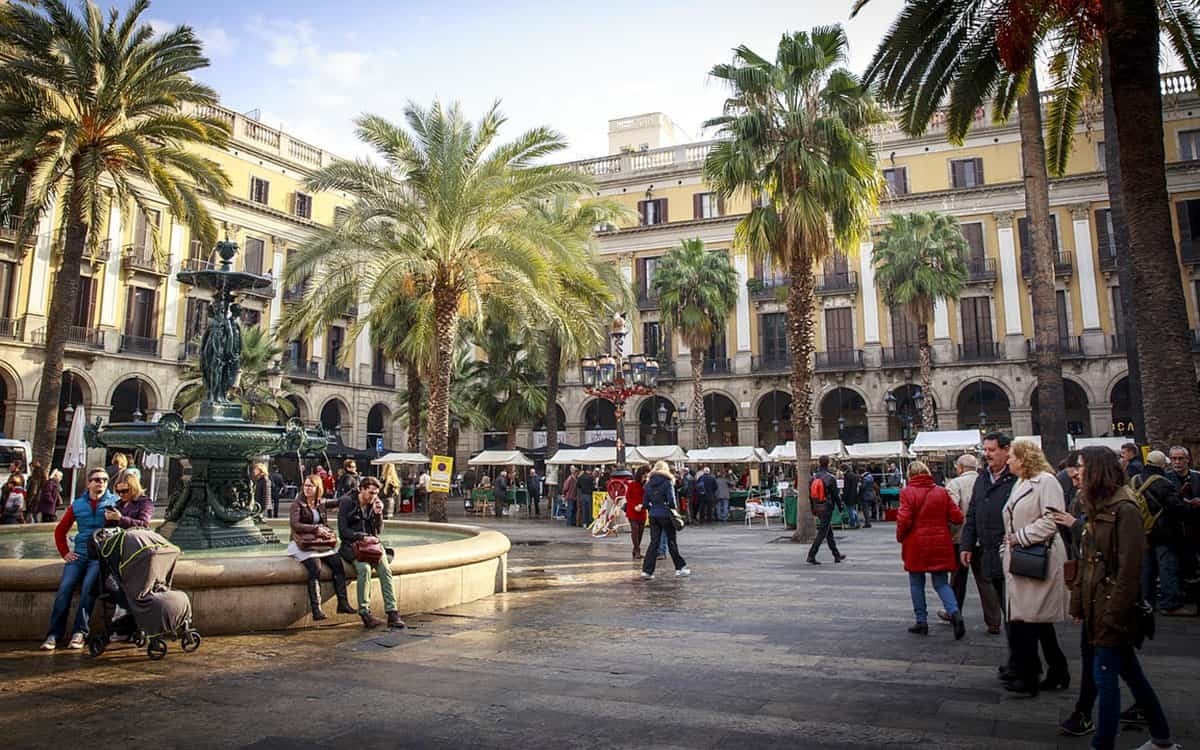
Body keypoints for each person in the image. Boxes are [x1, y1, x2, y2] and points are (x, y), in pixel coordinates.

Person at [1069, 446, 1182, 750]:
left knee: (1106, 679)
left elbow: (1129, 571)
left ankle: (1102, 744)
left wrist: (1112, 615)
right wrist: (1078, 602)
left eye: (1080, 466)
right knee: (1131, 673)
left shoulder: (1125, 508)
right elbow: (1086, 560)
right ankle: (1161, 738)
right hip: (1097, 605)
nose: (1075, 472)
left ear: (1096, 470)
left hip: (1111, 609)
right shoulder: (1095, 504)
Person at [1000, 438, 1070, 697]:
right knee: (1035, 620)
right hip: (1022, 557)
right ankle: (1058, 670)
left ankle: (1027, 677)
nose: (1008, 460)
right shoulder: (1021, 482)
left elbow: (1053, 519)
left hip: (1038, 557)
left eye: (1012, 457)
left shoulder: (1047, 481)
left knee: (1025, 620)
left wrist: (1020, 537)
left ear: (1023, 458)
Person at [960, 432, 1019, 680]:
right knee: (1008, 609)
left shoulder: (1017, 478)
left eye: (992, 449)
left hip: (1013, 552)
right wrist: (966, 544)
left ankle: (1025, 662)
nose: (987, 454)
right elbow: (973, 512)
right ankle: (1018, 659)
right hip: (989, 551)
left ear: (1007, 450)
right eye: (985, 449)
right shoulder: (983, 477)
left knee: (1017, 612)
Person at [41, 467, 118, 650]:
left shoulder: (114, 502)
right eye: (97, 479)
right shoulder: (77, 504)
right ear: (89, 483)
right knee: (65, 588)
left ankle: (79, 633)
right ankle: (53, 634)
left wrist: (116, 520)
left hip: (99, 556)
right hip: (80, 553)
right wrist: (65, 553)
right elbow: (60, 531)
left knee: (88, 589)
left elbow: (119, 530)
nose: (101, 483)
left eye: (105, 480)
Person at [897, 461, 966, 638]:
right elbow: (957, 517)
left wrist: (900, 536)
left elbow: (904, 520)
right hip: (940, 542)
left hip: (916, 543)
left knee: (916, 583)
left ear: (910, 475)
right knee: (941, 583)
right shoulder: (941, 492)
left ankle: (922, 622)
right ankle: (955, 613)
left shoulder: (907, 492)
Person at [943, 454, 1003, 633]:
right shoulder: (986, 482)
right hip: (984, 539)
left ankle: (954, 612)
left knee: (957, 579)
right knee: (985, 580)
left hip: (961, 539)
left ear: (960, 468)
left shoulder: (955, 484)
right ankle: (994, 621)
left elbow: (951, 511)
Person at [1135, 450, 1195, 617]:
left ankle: (1146, 602)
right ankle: (1170, 604)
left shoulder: (1135, 479)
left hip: (1143, 531)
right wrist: (1190, 506)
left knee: (1147, 569)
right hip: (1163, 532)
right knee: (1167, 567)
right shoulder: (1163, 482)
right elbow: (1176, 508)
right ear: (1162, 464)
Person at [338, 476, 403, 629]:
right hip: (353, 547)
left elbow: (378, 531)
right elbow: (343, 531)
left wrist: (379, 514)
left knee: (385, 570)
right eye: (370, 493)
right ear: (361, 489)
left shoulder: (374, 504)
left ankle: (392, 613)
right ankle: (365, 613)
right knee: (364, 569)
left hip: (372, 547)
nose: (373, 496)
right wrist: (361, 536)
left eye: (375, 493)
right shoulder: (347, 502)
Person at [290, 473, 354, 620]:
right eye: (305, 485)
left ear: (318, 488)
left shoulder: (320, 503)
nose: (307, 488)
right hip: (303, 544)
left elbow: (339, 501)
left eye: (310, 486)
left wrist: (355, 491)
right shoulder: (297, 504)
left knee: (338, 565)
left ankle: (343, 604)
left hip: (319, 543)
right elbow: (295, 524)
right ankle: (316, 609)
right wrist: (315, 529)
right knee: (315, 568)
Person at [640, 461, 689, 580]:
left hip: (653, 515)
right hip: (666, 514)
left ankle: (647, 571)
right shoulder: (667, 482)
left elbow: (645, 503)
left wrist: (653, 507)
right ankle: (679, 568)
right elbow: (672, 501)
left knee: (654, 542)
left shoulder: (648, 484)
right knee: (671, 541)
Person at [807, 456, 846, 565]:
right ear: (828, 463)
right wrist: (840, 506)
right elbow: (835, 495)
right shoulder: (830, 478)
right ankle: (811, 555)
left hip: (817, 506)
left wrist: (812, 508)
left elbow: (810, 495)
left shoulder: (813, 477)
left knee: (828, 532)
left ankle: (836, 555)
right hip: (827, 507)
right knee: (823, 532)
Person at [626, 466, 648, 559]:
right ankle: (637, 549)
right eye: (644, 475)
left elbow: (648, 496)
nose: (645, 477)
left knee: (641, 531)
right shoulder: (632, 484)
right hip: (632, 509)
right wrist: (634, 506)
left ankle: (635, 549)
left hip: (642, 509)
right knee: (635, 529)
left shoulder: (646, 485)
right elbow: (628, 497)